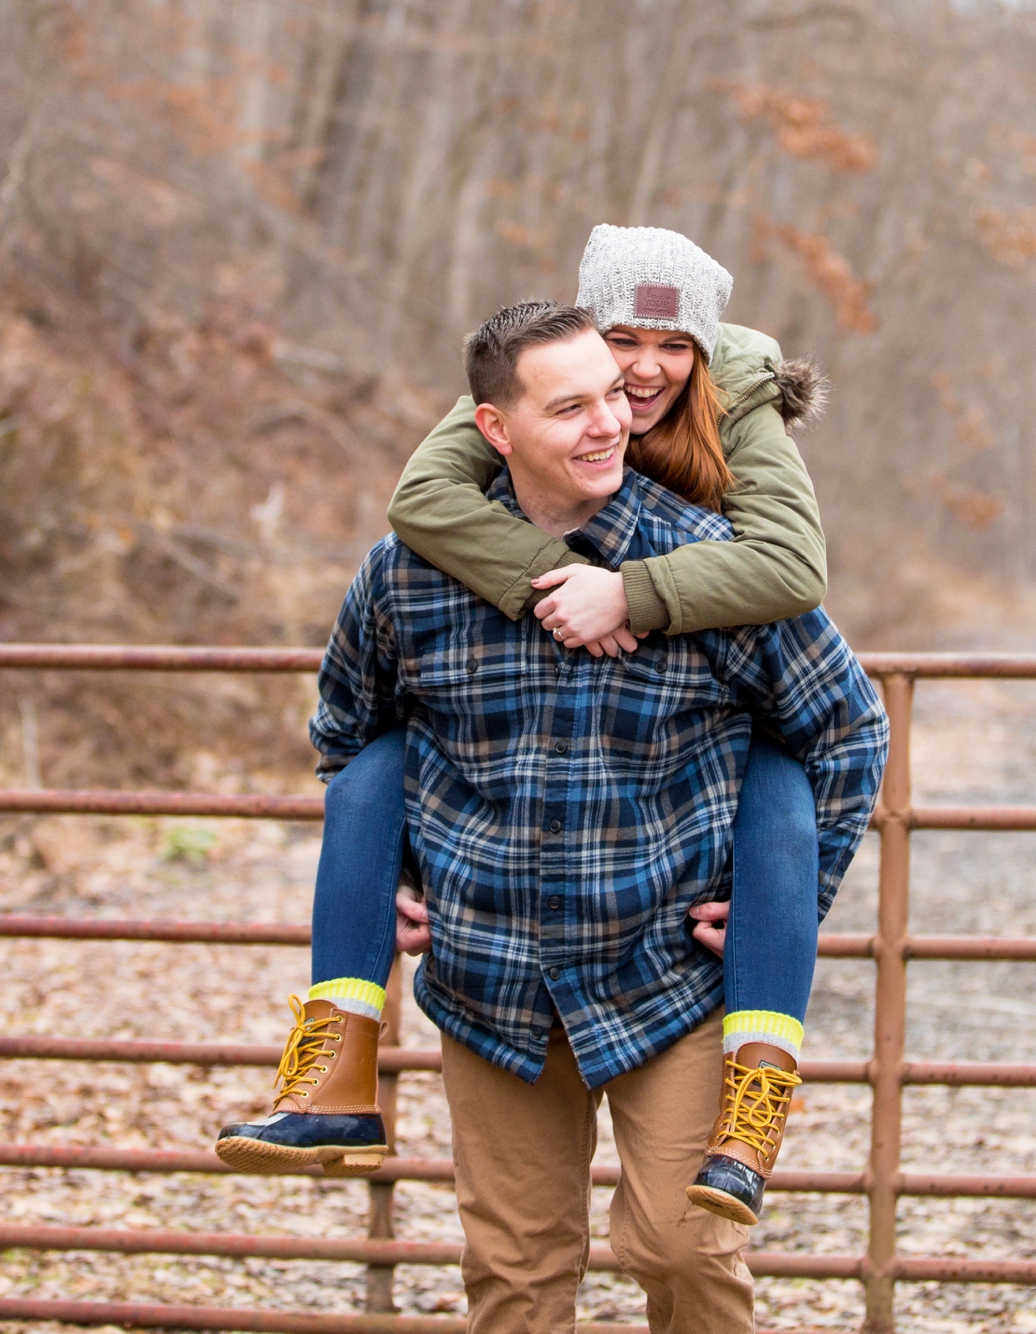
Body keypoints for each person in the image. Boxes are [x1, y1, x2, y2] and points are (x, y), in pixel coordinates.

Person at [236, 299, 886, 1332]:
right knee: (515, 1275)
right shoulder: (408, 575)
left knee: (684, 1247)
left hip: (664, 974)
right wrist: (393, 873)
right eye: (569, 406)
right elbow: (351, 731)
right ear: (493, 429)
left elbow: (847, 731)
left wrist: (787, 900)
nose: (608, 423)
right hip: (490, 976)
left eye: (614, 398)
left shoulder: (706, 566)